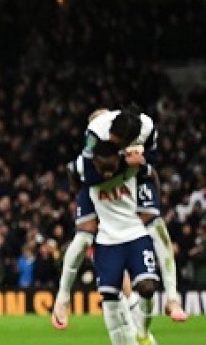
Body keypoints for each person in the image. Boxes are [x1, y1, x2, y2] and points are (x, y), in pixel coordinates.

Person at [52, 108, 187, 329]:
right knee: (84, 237)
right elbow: (82, 171)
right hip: (97, 184)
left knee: (156, 226)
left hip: (132, 180)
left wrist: (143, 165)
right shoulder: (95, 134)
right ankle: (62, 298)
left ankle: (172, 298)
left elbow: (153, 158)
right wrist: (124, 166)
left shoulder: (146, 127)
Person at [70, 142, 159, 344]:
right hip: (106, 233)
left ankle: (137, 326)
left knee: (128, 291)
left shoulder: (125, 166)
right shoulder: (90, 173)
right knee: (114, 293)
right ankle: (135, 328)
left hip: (123, 231)